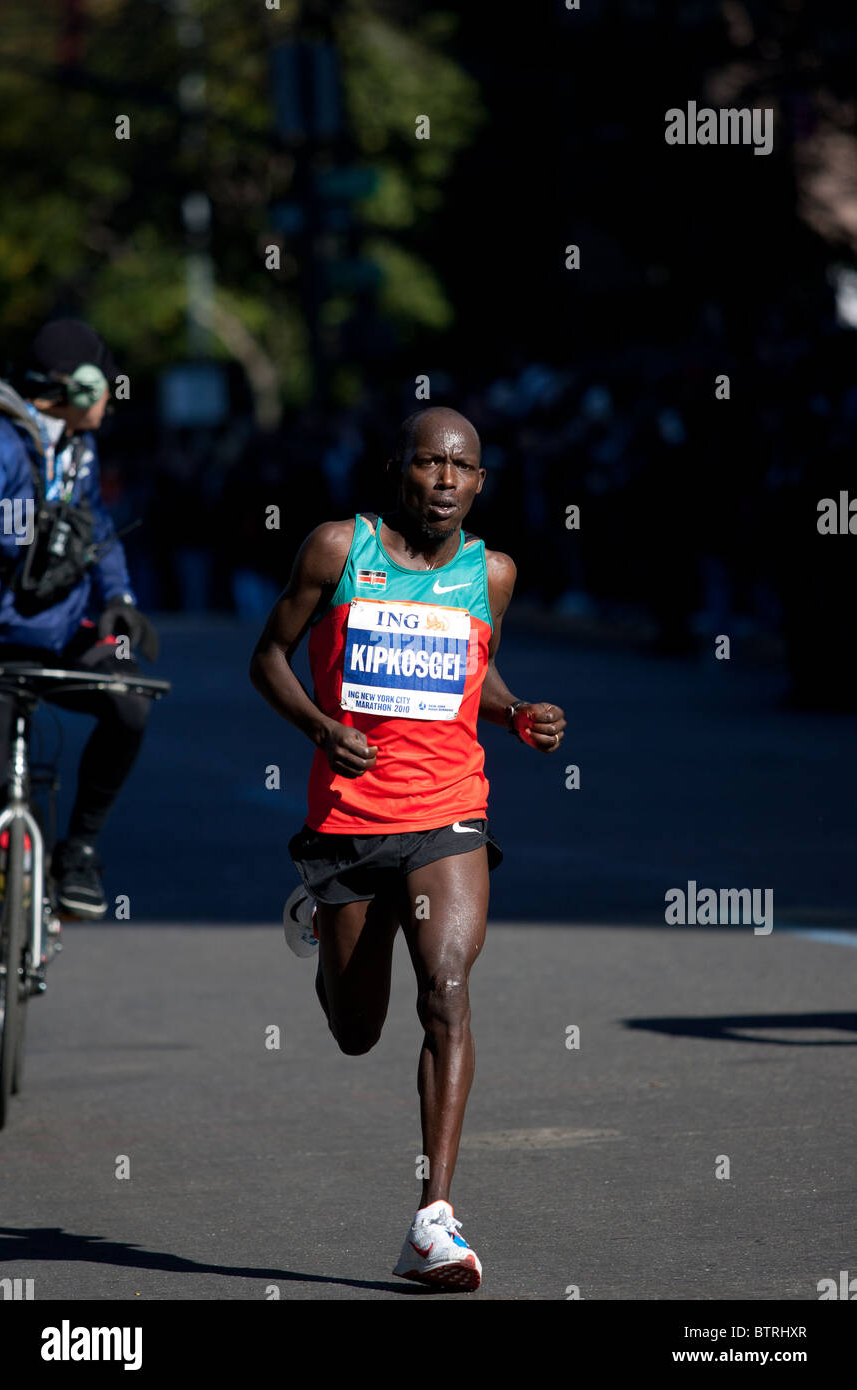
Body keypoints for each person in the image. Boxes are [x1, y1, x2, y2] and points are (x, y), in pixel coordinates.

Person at [250, 406, 565, 1291]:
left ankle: (432, 1219)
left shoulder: (489, 573)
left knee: (448, 990)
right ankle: (324, 921)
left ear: (481, 481)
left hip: (448, 811)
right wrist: (318, 727)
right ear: (399, 469)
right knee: (357, 1029)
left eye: (462, 469)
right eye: (429, 465)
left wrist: (515, 713)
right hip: (350, 818)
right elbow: (268, 655)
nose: (445, 483)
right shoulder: (333, 551)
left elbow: (479, 671)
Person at [0, 318, 159, 918]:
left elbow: (101, 531)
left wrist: (120, 601)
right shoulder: (1, 441)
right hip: (1, 642)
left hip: (62, 635)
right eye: (106, 386)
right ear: (79, 387)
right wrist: (28, 526)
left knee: (130, 699)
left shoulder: (80, 447)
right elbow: (4, 535)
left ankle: (78, 851)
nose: (111, 400)